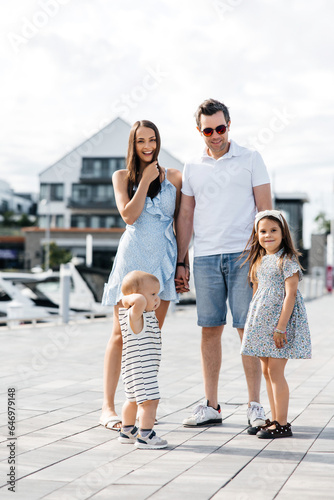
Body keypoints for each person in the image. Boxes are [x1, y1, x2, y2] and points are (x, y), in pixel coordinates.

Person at [176, 98, 272, 428]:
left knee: (248, 330)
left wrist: (267, 259)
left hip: (245, 256)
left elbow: (265, 210)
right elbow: (186, 214)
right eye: (208, 130)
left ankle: (255, 405)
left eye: (220, 128)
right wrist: (181, 261)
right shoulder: (192, 166)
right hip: (205, 258)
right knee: (209, 330)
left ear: (229, 125)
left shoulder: (251, 158)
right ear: (199, 130)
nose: (215, 135)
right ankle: (212, 407)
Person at [99, 120, 186, 431]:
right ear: (132, 146)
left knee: (149, 337)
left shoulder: (175, 176)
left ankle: (139, 404)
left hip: (163, 260)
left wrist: (182, 263)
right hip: (132, 260)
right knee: (121, 335)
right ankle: (108, 407)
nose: (148, 146)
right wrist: (147, 179)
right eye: (141, 141)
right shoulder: (121, 177)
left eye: (152, 140)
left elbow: (182, 222)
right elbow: (129, 215)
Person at [240, 210, 311, 438]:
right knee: (266, 371)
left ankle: (282, 422)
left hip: (279, 325)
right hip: (262, 324)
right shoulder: (259, 260)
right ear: (256, 234)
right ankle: (272, 419)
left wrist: (280, 327)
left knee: (276, 371)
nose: (267, 235)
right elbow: (257, 292)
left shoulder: (287, 260)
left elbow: (290, 295)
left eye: (273, 230)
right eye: (262, 231)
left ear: (283, 233)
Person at [117, 271, 168, 449]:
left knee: (132, 400)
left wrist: (151, 298)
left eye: (158, 294)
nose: (157, 299)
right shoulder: (134, 314)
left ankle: (127, 430)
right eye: (153, 294)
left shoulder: (144, 315)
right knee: (150, 401)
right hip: (141, 369)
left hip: (134, 368)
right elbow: (138, 300)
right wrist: (127, 299)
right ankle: (145, 436)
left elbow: (141, 300)